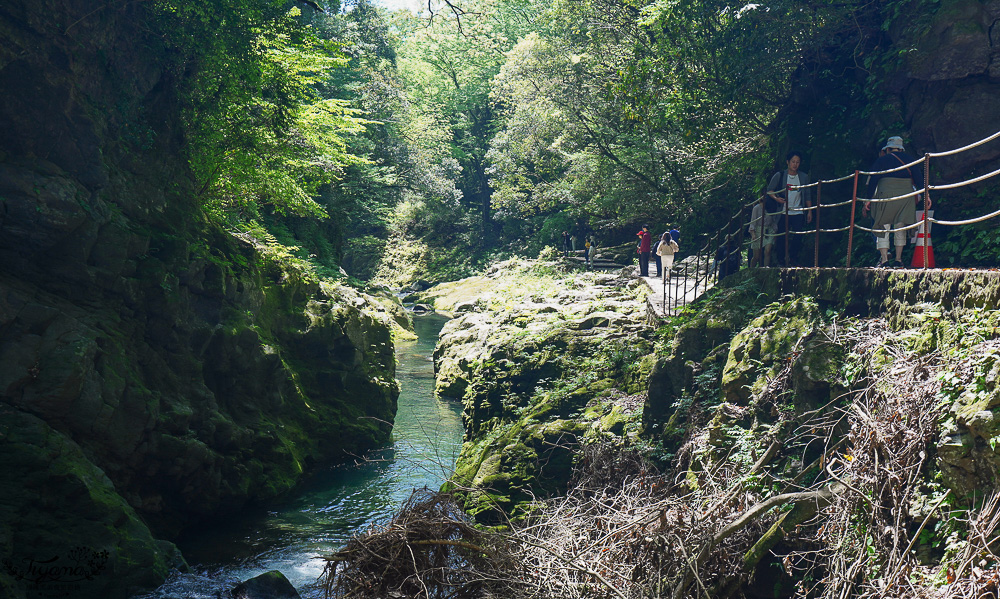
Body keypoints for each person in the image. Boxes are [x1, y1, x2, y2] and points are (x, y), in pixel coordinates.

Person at [863, 135, 929, 267]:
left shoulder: (881, 161)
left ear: (887, 149)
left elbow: (873, 181)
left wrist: (868, 199)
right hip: (905, 196)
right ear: (901, 149)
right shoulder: (910, 160)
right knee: (900, 226)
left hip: (885, 195)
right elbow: (919, 179)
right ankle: (898, 260)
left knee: (883, 226)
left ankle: (884, 260)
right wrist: (926, 196)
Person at [767, 151, 813, 266]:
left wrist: (809, 211)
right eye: (793, 162)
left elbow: (807, 194)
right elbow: (770, 190)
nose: (795, 164)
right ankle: (781, 260)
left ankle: (793, 258)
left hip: (798, 211)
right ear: (788, 162)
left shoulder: (803, 177)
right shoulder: (780, 175)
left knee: (798, 235)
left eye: (797, 162)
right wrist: (776, 198)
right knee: (782, 237)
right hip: (783, 211)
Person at [748, 191, 776, 268]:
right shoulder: (756, 208)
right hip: (758, 230)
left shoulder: (771, 207)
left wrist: (775, 232)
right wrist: (753, 234)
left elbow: (773, 221)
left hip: (768, 230)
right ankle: (751, 269)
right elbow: (753, 222)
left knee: (767, 251)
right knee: (756, 256)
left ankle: (766, 268)